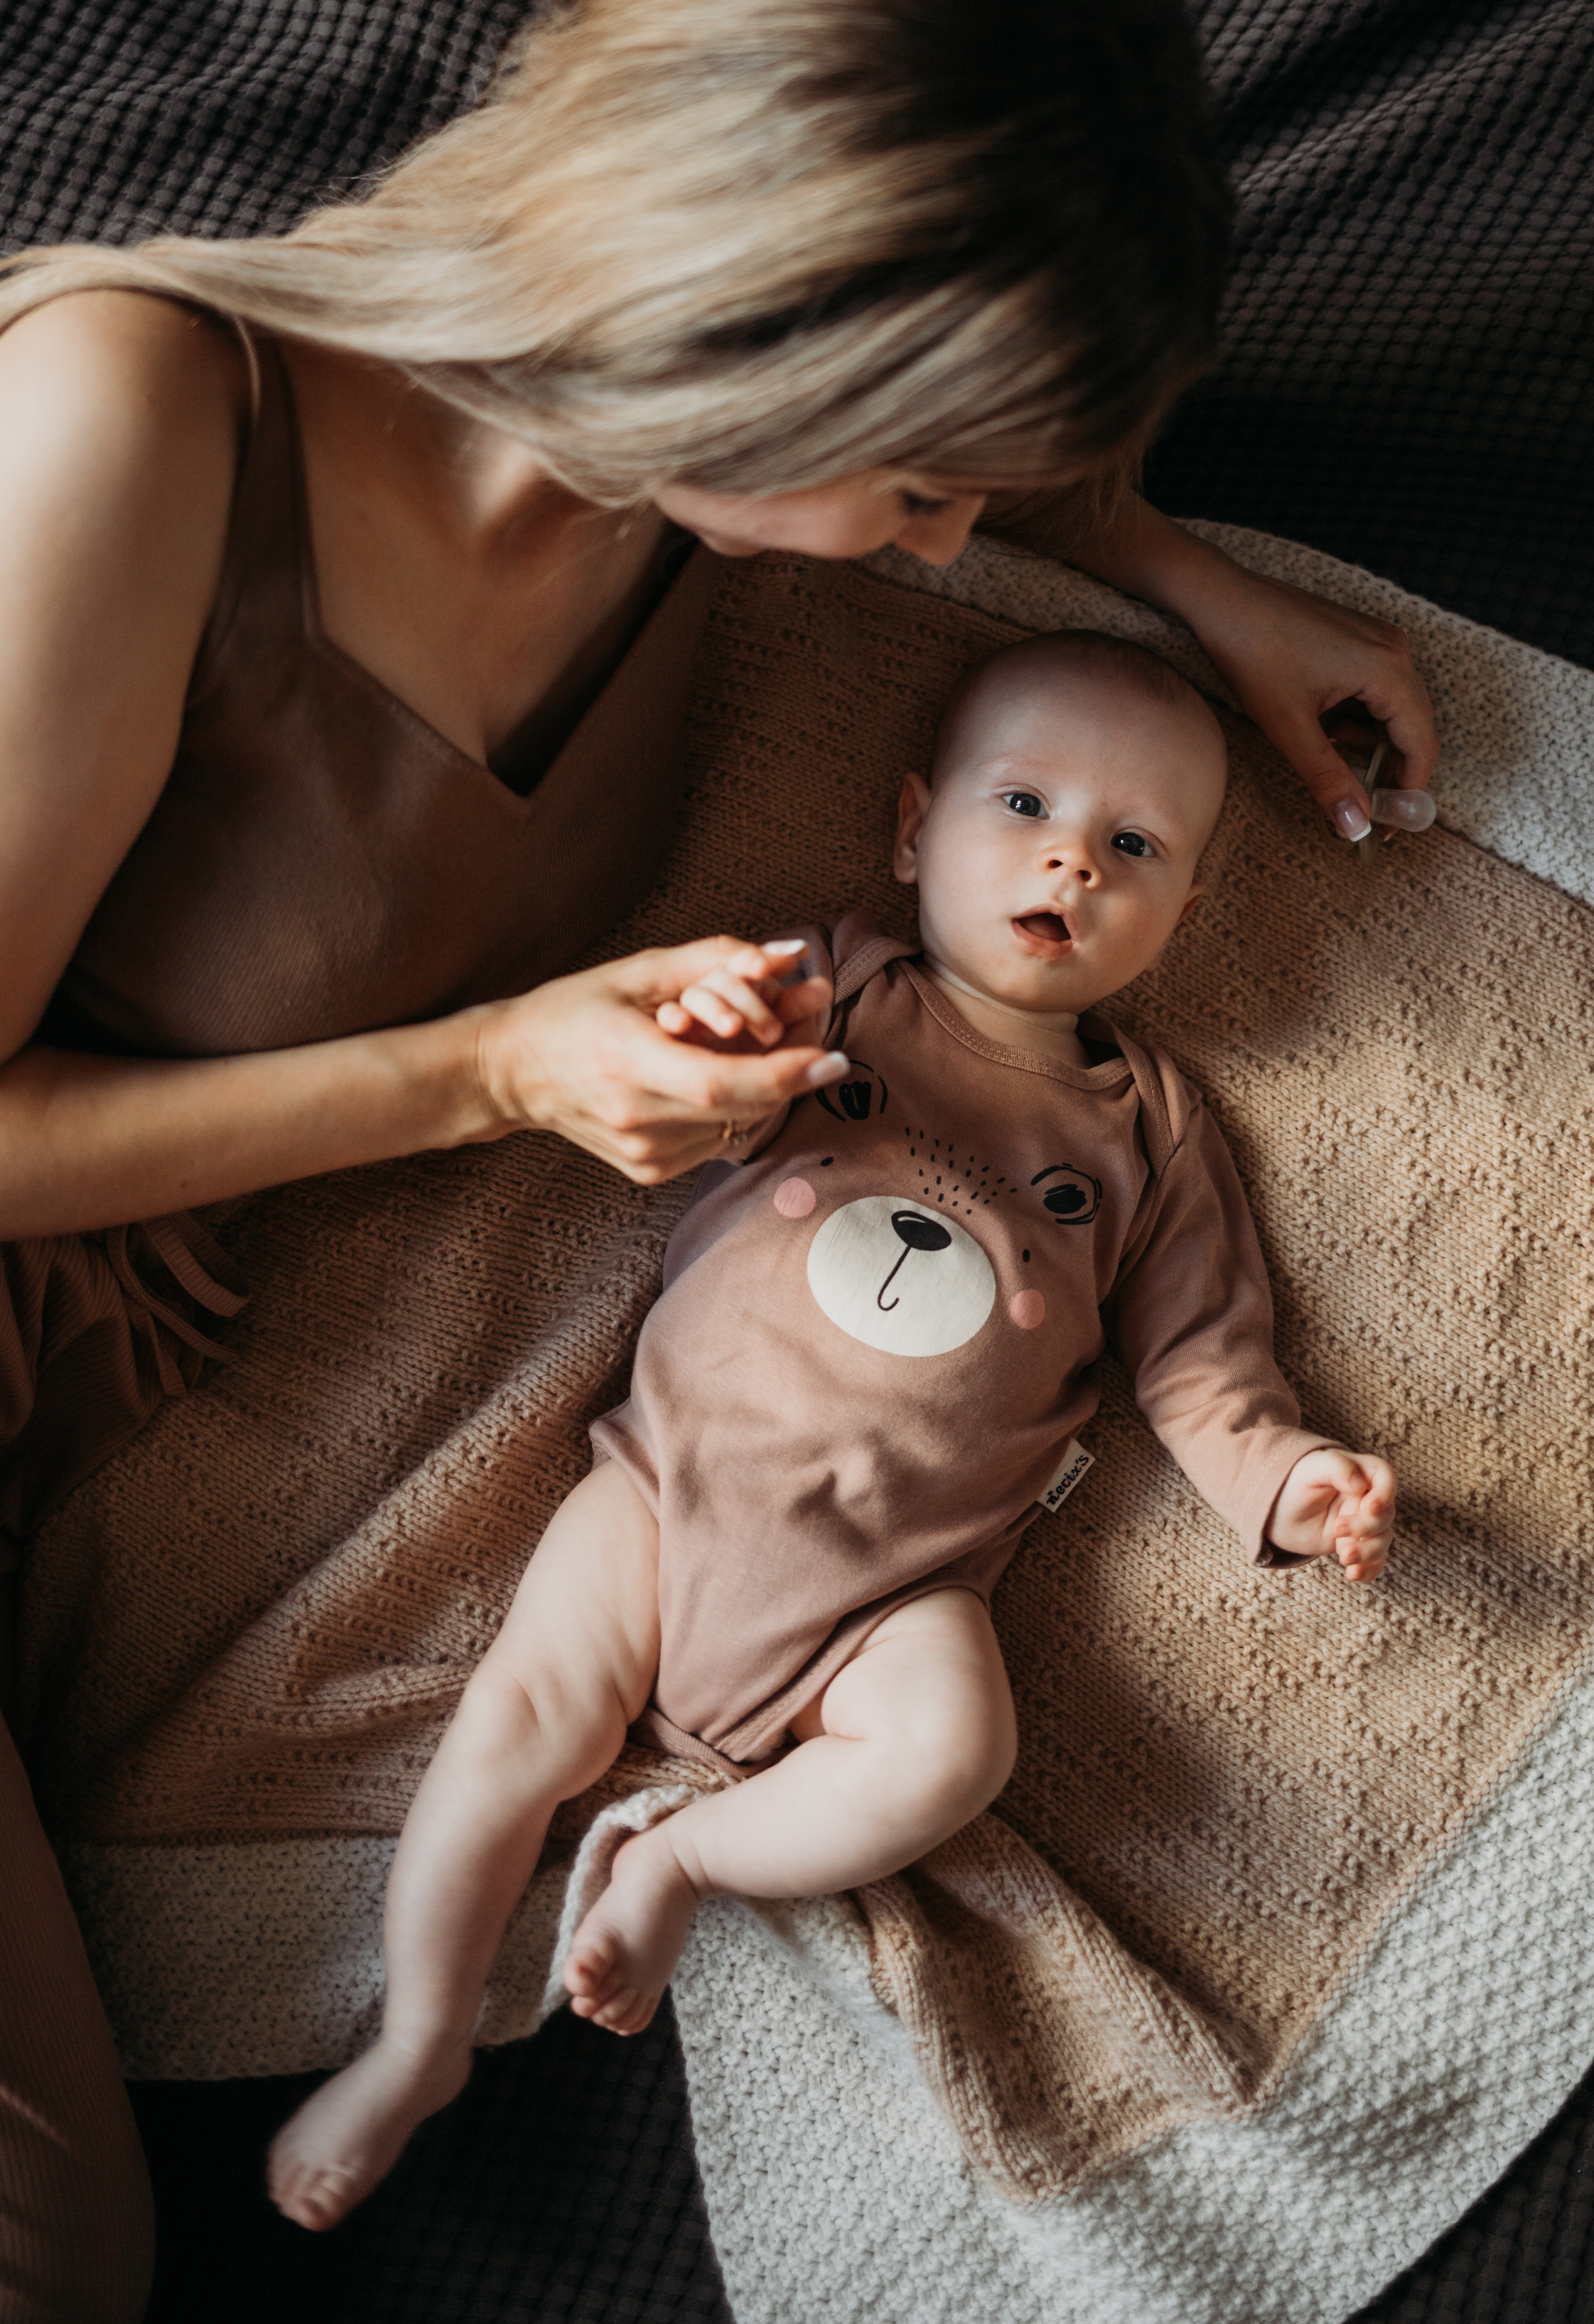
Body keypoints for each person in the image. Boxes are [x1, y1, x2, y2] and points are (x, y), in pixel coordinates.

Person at [0, 0, 1434, 2320]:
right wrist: (492, 1073)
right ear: (755, 344)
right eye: (910, 504)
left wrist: (1191, 588)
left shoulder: (656, 440)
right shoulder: (132, 429)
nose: (934, 556)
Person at [265, 629, 1399, 2231]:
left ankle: (686, 1862)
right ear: (910, 833)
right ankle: (418, 2037)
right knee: (515, 1722)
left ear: (1183, 917)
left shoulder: (1148, 1131)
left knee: (957, 1748)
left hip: (894, 1592)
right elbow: (681, 1087)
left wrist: (1291, 1485)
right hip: (669, 1486)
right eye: (1024, 804)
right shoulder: (839, 990)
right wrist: (720, 1029)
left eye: (1132, 846)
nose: (1072, 855)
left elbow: (1205, 1370)